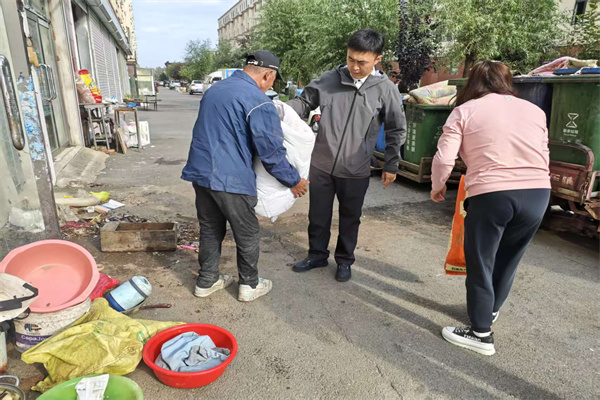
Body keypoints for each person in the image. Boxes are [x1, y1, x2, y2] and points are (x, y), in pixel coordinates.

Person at [430, 61, 551, 356]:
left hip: (492, 193)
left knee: (481, 261)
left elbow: (444, 158)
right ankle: (491, 310)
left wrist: (438, 186)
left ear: (473, 82)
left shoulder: (465, 111)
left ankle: (480, 334)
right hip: (538, 193)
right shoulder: (535, 111)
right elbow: (544, 152)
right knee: (509, 258)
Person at [181, 50, 309, 302]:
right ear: (268, 75)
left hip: (202, 173)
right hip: (231, 178)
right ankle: (250, 285)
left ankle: (207, 281)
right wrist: (294, 181)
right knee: (247, 231)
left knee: (210, 227)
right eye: (273, 81)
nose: (271, 85)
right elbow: (271, 152)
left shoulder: (215, 90)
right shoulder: (258, 101)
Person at [287, 29, 406, 282]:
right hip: (321, 164)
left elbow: (396, 129)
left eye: (362, 62)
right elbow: (304, 102)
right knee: (317, 215)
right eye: (351, 59)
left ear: (377, 59)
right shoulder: (330, 79)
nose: (355, 67)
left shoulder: (386, 90)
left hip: (356, 168)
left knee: (350, 218)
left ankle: (344, 260)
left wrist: (391, 165)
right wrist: (280, 110)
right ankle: (317, 255)